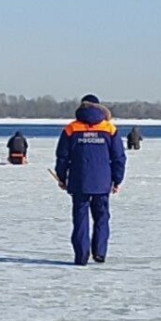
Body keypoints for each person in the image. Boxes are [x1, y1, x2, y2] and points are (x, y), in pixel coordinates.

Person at [55, 94, 126, 265]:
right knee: (102, 217)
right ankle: (100, 252)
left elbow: (62, 156)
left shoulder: (71, 128)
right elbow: (119, 157)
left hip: (79, 181)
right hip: (103, 181)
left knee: (80, 219)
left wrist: (62, 177)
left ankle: (81, 256)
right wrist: (117, 180)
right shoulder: (109, 128)